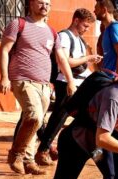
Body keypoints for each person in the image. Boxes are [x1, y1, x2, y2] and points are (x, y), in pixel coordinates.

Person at [0, 0, 76, 176]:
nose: (45, 6)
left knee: (37, 121)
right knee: (34, 116)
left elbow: (61, 58)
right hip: (22, 80)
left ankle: (28, 160)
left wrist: (70, 80)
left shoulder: (51, 32)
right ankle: (16, 154)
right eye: (41, 3)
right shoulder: (18, 24)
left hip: (44, 84)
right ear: (31, 4)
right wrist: (3, 76)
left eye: (48, 4)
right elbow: (4, 50)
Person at [36, 8, 101, 165]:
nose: (86, 29)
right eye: (85, 26)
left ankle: (72, 148)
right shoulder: (64, 36)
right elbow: (65, 60)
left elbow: (81, 66)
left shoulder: (79, 39)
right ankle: (43, 149)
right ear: (76, 21)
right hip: (66, 81)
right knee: (60, 116)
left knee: (85, 116)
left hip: (78, 82)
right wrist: (89, 57)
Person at [95, 0, 118, 79]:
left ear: (104, 10)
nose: (94, 11)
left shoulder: (116, 27)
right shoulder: (107, 29)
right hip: (107, 76)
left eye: (96, 8)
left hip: (115, 77)